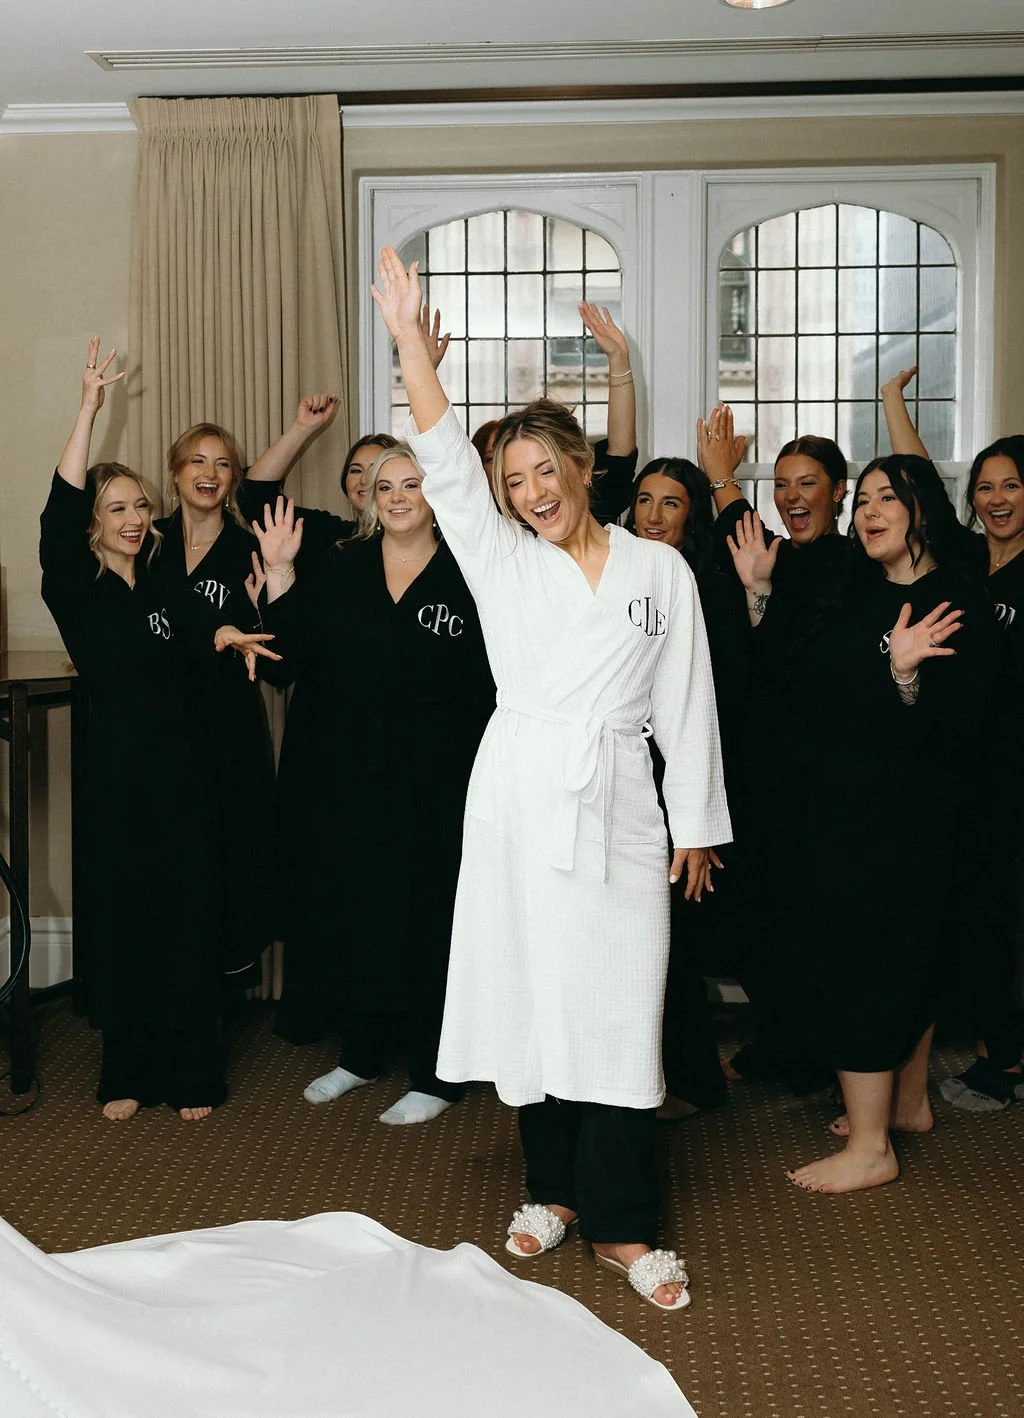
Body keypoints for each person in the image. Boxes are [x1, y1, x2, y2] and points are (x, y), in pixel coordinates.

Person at [372, 247, 731, 1310]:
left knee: (617, 1001)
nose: (531, 494)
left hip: (618, 796)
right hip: (522, 794)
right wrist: (409, 346)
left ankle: (623, 1224)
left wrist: (694, 823)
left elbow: (687, 700)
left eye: (544, 472)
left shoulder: (660, 568)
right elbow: (443, 456)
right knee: (536, 987)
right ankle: (553, 1188)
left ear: (580, 465)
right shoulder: (500, 561)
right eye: (513, 482)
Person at [733, 453, 996, 1193]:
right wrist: (759, 592)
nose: (870, 512)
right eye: (866, 500)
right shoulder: (849, 586)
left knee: (870, 968)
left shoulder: (957, 601)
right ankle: (906, 1106)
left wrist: (905, 677)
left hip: (905, 826)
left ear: (921, 509)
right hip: (839, 811)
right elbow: (786, 685)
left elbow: (960, 734)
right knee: (878, 963)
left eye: (888, 498)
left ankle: (871, 1147)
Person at [40, 341, 274, 1122]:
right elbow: (59, 511)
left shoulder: (163, 582)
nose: (136, 518)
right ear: (94, 523)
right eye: (118, 509)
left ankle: (193, 1068)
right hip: (118, 784)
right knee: (126, 922)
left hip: (185, 779)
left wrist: (226, 634)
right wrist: (88, 409)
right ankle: (127, 1068)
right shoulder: (77, 588)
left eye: (141, 506)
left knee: (187, 921)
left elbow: (197, 628)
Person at [253, 447, 495, 1125]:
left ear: (435, 493)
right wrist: (280, 571)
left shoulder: (471, 569)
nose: (397, 496)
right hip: (351, 777)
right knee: (358, 912)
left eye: (412, 484)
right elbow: (288, 658)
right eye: (385, 486)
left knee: (432, 919)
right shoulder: (342, 564)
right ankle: (359, 1056)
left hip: (441, 779)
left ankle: (435, 1073)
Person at [153, 396, 338, 987]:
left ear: (236, 479)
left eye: (223, 464)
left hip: (226, 736)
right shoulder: (146, 543)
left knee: (227, 859)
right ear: (175, 473)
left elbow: (282, 665)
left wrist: (268, 607)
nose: (209, 473)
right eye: (197, 461)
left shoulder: (251, 550)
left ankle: (223, 993)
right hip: (154, 733)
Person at [698, 407, 853, 1093]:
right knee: (762, 915)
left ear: (838, 491)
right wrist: (758, 593)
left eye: (808, 483)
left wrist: (722, 479)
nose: (792, 495)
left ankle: (814, 1055)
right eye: (782, 484)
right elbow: (768, 656)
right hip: (770, 770)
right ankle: (782, 1043)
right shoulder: (777, 560)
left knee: (813, 922)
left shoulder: (848, 561)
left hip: (828, 775)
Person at [882, 371, 1024, 1109]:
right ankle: (996, 1046)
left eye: (1012, 486)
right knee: (974, 911)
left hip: (1014, 770)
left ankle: (1004, 1060)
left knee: (1003, 913)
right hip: (962, 764)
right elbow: (921, 484)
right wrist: (892, 405)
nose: (996, 499)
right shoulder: (967, 561)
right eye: (986, 487)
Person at [629, 458, 750, 1119]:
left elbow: (714, 704)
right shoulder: (615, 573)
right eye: (645, 499)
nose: (653, 515)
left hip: (678, 782)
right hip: (624, 775)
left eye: (670, 503)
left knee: (668, 943)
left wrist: (694, 821)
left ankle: (692, 1083)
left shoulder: (707, 587)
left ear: (692, 515)